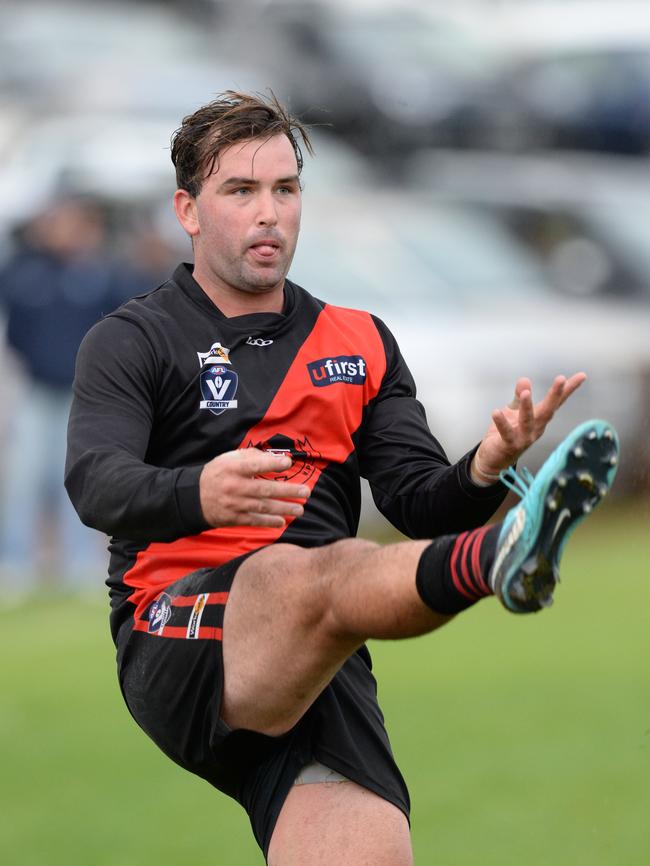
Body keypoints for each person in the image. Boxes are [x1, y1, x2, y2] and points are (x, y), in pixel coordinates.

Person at [65, 92, 619, 865]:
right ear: (187, 210)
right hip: (178, 630)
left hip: (321, 648)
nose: (270, 213)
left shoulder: (359, 341)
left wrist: (487, 467)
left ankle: (500, 544)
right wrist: (200, 493)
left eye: (285, 189)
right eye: (241, 191)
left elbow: (420, 502)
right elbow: (95, 483)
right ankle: (502, 559)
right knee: (321, 574)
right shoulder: (133, 340)